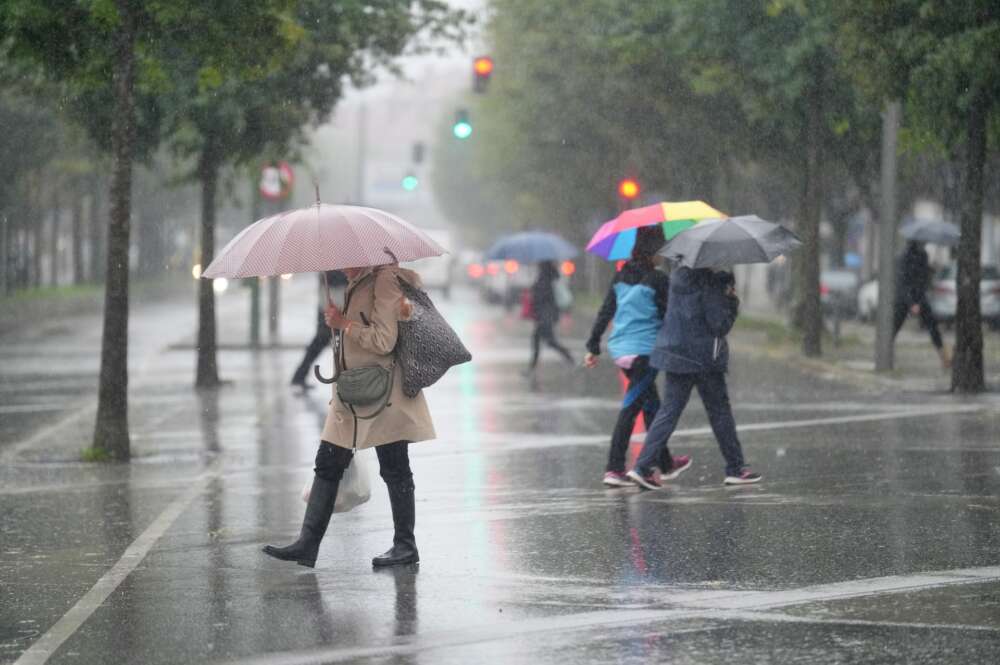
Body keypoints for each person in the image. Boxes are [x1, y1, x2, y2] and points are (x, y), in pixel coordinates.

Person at [264, 262, 436, 568]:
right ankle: (307, 544)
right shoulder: (359, 281)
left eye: (346, 263)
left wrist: (344, 324)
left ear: (363, 257)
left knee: (394, 467)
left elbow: (385, 340)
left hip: (383, 393)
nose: (340, 268)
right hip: (354, 393)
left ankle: (405, 546)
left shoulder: (384, 281)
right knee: (328, 463)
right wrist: (337, 325)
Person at [627, 266, 761, 489]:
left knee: (668, 411)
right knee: (719, 412)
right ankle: (736, 468)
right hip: (703, 357)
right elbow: (719, 324)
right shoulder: (713, 281)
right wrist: (731, 300)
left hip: (675, 352)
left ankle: (642, 467)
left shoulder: (678, 275)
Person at [584, 226, 683, 487]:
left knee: (652, 407)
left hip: (621, 350)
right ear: (653, 251)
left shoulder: (620, 277)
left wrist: (593, 345)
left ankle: (665, 462)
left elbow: (606, 312)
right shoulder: (658, 279)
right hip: (645, 352)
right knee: (631, 409)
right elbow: (668, 315)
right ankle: (614, 468)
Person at [893, 240, 951, 369]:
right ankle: (885, 356)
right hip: (905, 298)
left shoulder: (923, 255)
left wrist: (931, 270)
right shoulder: (905, 257)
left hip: (918, 297)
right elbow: (903, 282)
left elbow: (922, 280)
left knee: (932, 326)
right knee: (894, 327)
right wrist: (912, 302)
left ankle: (944, 358)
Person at [290, 270, 348, 390]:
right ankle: (299, 376)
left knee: (324, 344)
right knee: (330, 344)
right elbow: (335, 281)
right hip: (332, 309)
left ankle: (299, 376)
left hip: (330, 307)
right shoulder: (334, 266)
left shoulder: (328, 264)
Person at [525, 260, 574, 372]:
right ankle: (531, 368)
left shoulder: (544, 279)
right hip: (546, 315)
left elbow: (542, 298)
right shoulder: (549, 277)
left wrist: (533, 291)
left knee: (549, 341)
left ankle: (569, 357)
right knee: (539, 340)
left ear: (542, 266)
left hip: (545, 316)